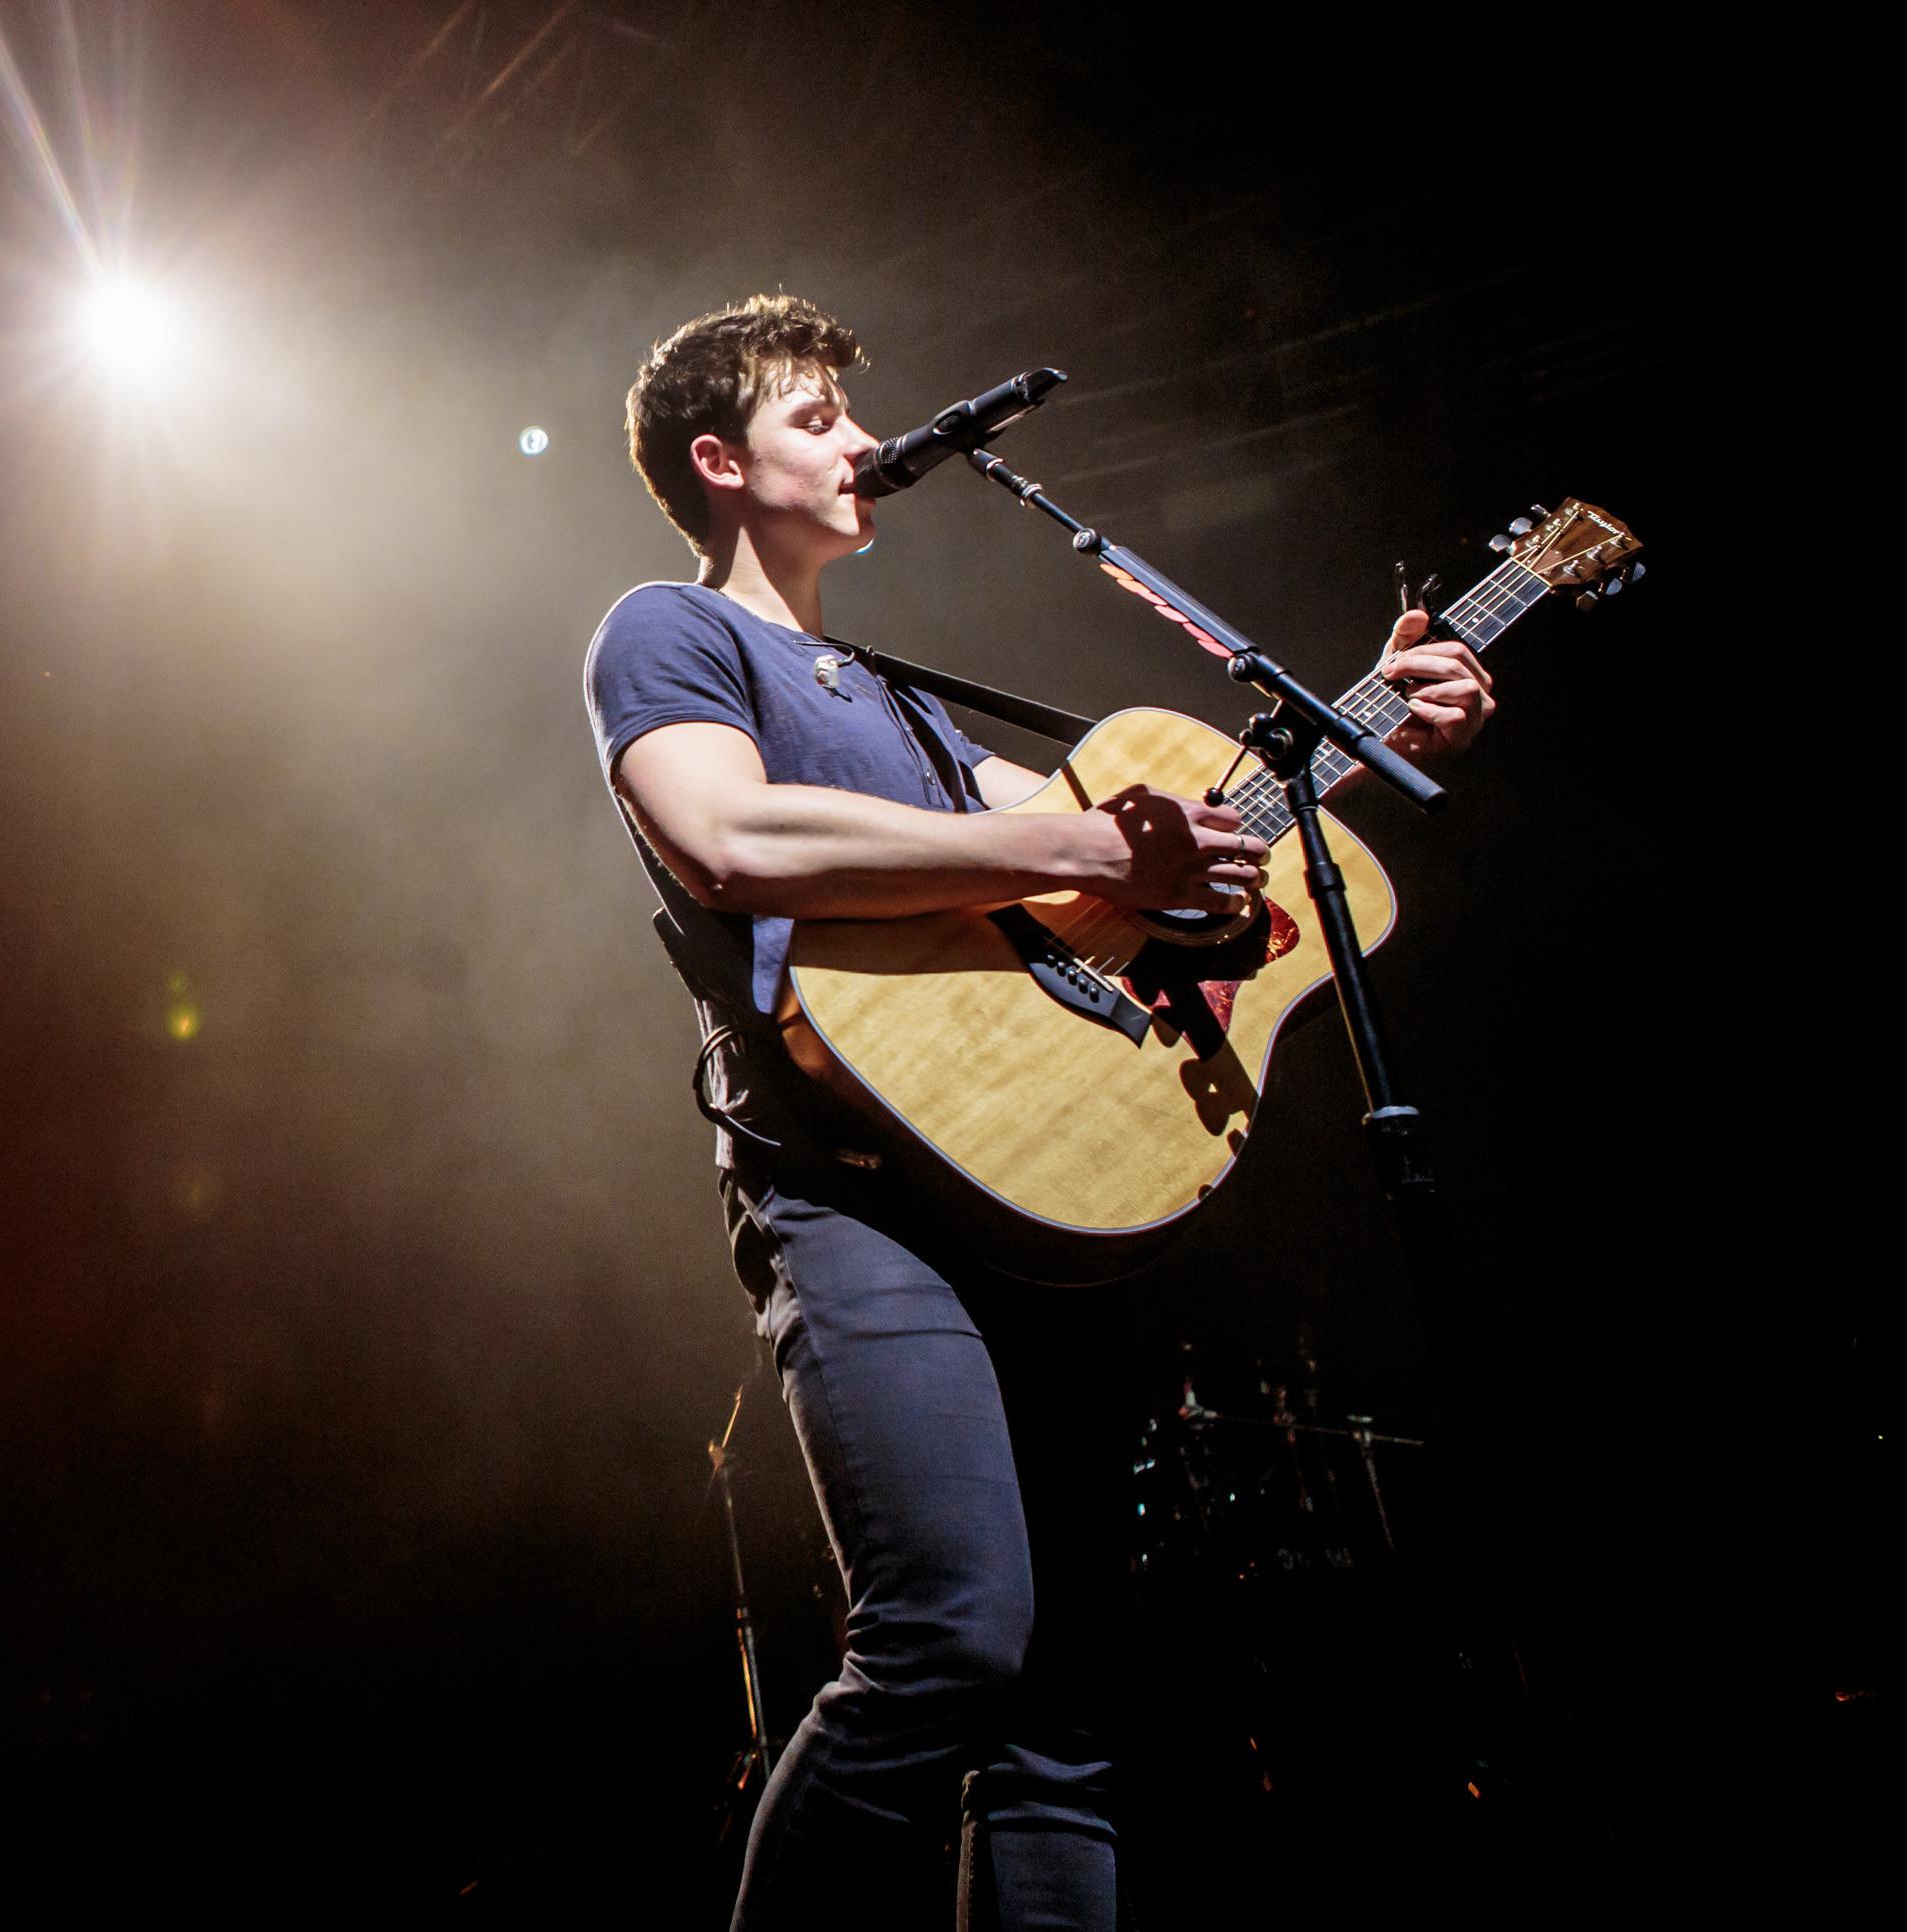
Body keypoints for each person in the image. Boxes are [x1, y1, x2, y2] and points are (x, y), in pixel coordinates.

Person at [580, 294, 1493, 1929]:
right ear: (719, 463)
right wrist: (1087, 851)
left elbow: (1165, 851)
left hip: (1032, 1206)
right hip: (850, 1186)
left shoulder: (903, 701)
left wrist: (1357, 728)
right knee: (944, 1642)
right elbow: (729, 841)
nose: (862, 442)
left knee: (1067, 1720)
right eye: (815, 421)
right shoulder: (667, 629)